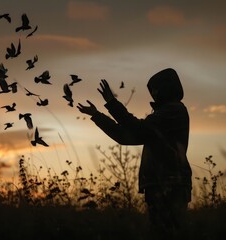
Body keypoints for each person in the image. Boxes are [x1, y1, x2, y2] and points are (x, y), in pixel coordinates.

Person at [77, 68, 192, 233]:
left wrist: (111, 102)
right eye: (151, 90)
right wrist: (96, 115)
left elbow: (135, 128)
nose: (153, 93)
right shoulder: (164, 114)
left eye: (156, 88)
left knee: (168, 232)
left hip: (170, 183)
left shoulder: (174, 110)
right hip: (159, 184)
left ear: (167, 87)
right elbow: (126, 137)